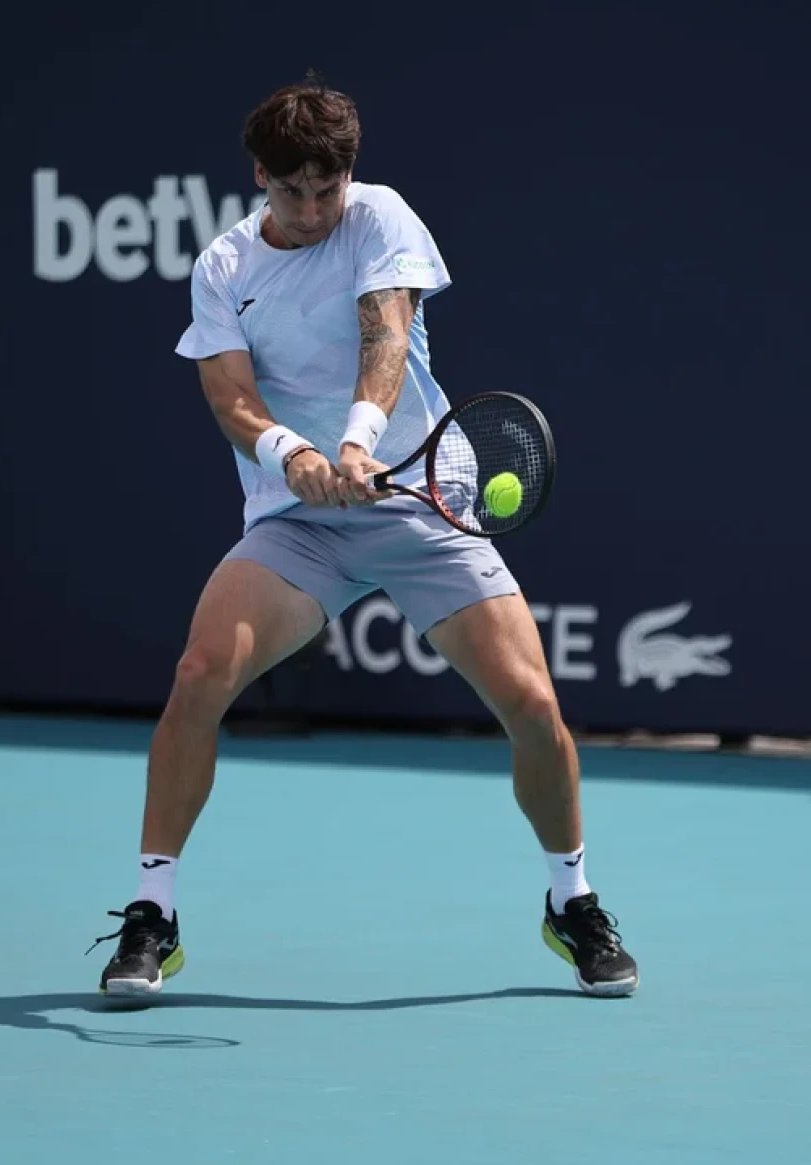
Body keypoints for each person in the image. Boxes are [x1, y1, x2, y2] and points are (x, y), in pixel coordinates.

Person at [88, 71, 639, 999]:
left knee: (531, 704)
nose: (310, 208)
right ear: (260, 176)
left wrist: (353, 441)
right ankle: (154, 912)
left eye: (326, 188)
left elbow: (385, 335)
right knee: (197, 676)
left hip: (421, 502)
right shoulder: (225, 266)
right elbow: (228, 394)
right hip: (301, 521)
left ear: (348, 177)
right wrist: (293, 455)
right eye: (291, 188)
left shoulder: (378, 216)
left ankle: (571, 898)